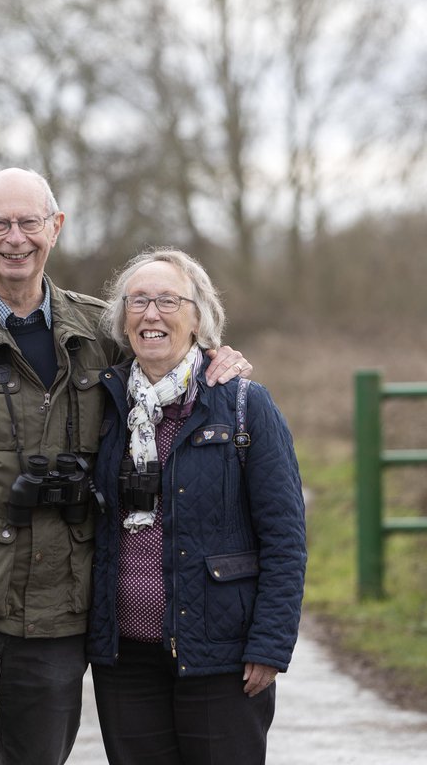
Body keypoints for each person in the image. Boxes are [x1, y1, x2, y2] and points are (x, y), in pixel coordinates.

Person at [0, 168, 252, 765]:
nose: (14, 238)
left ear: (55, 228)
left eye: (29, 222)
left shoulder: (100, 331)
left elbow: (167, 352)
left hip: (60, 605)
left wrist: (217, 359)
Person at [86, 247, 307, 765]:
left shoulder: (243, 403)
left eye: (168, 300)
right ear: (122, 320)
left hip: (222, 656)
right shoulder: (106, 404)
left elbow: (285, 537)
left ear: (199, 317)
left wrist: (270, 645)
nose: (151, 313)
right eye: (137, 301)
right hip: (126, 659)